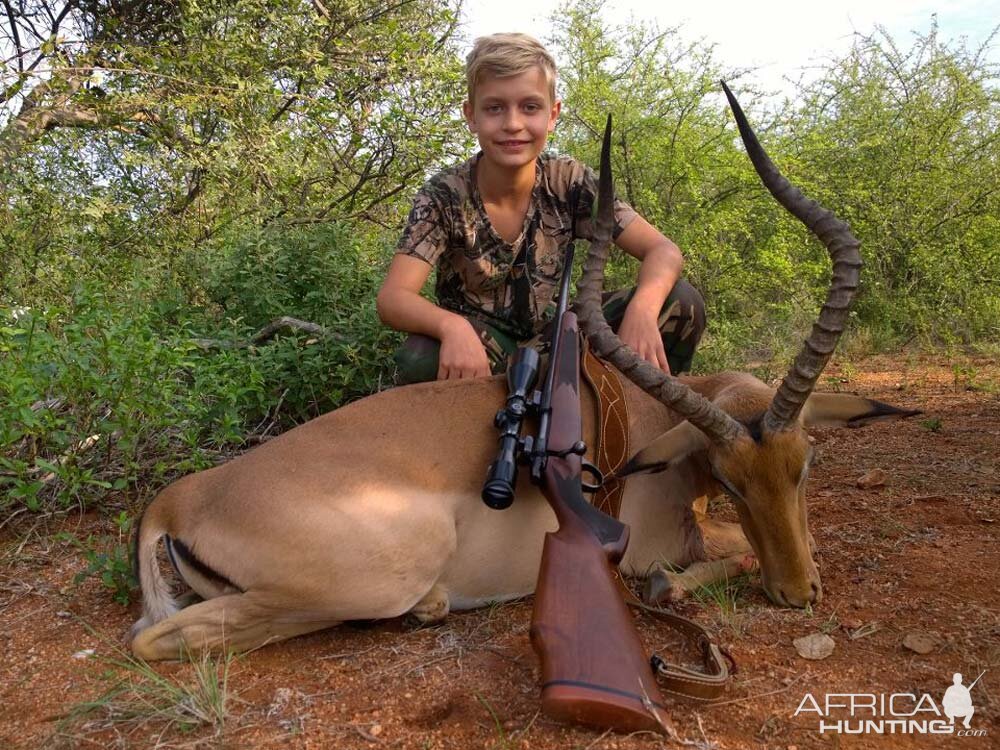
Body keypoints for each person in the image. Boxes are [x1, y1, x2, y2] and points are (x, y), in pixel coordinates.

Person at [377, 33, 705, 384]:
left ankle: (637, 418)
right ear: (471, 115)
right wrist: (451, 327)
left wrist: (642, 308)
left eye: (530, 107)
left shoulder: (569, 181)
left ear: (553, 115)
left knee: (682, 303)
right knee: (419, 358)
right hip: (481, 351)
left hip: (554, 337)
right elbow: (394, 298)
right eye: (494, 108)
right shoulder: (443, 195)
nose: (513, 124)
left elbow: (663, 250)